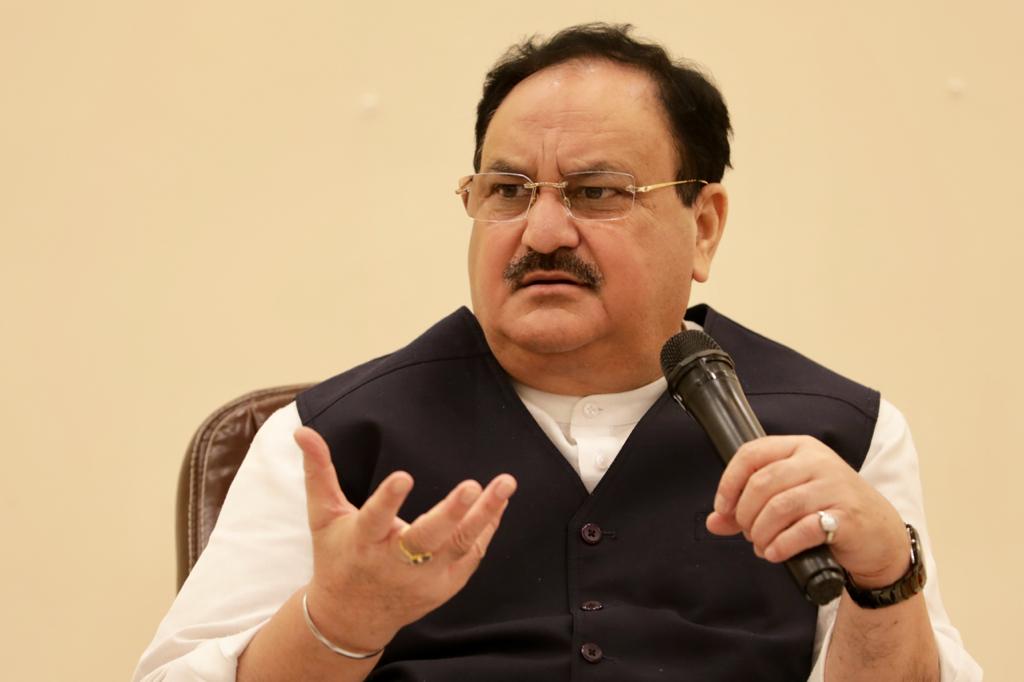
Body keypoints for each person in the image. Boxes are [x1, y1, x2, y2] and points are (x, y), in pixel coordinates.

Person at [134, 23, 981, 681]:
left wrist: (887, 579)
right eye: (506, 191)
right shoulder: (329, 442)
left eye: (597, 192)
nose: (541, 231)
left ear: (705, 224)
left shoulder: (840, 435)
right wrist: (338, 621)